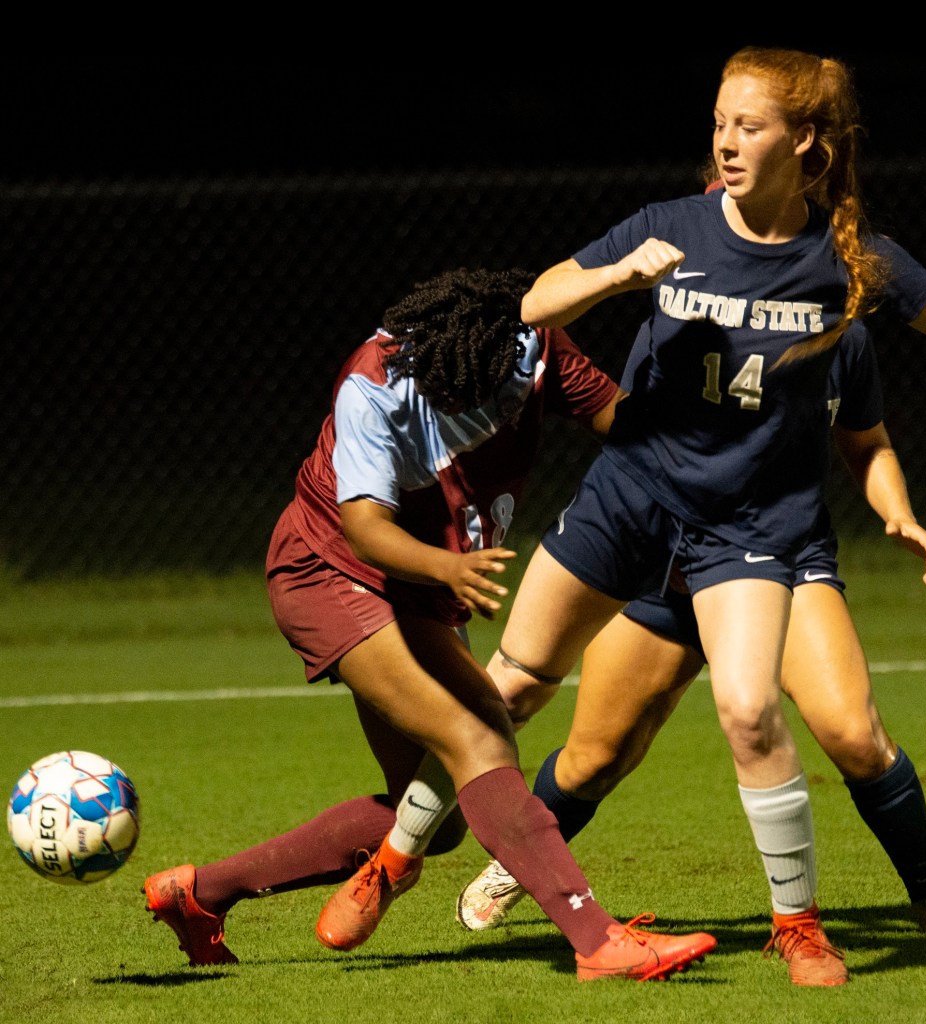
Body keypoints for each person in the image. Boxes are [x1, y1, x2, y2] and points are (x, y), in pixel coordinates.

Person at [353, 47, 926, 988]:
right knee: (530, 698)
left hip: (753, 534)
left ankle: (813, 922)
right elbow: (536, 301)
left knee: (760, 713)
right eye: (719, 124)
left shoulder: (846, 261)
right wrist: (619, 274)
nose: (727, 142)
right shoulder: (673, 225)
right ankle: (399, 859)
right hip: (635, 509)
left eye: (749, 126)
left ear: (806, 142)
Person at [141, 266, 718, 982]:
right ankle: (597, 940)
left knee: (436, 819)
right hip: (333, 573)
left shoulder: (529, 348)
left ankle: (200, 894)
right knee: (479, 735)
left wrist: (709, 454)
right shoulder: (375, 387)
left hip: (422, 588)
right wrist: (447, 569)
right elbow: (364, 529)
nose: (487, 418)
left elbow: (620, 420)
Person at [455, 317, 926, 953]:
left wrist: (897, 512)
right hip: (670, 554)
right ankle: (515, 864)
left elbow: (866, 440)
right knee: (594, 757)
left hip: (778, 551)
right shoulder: (685, 308)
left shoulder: (839, 330)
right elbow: (631, 437)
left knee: (853, 732)